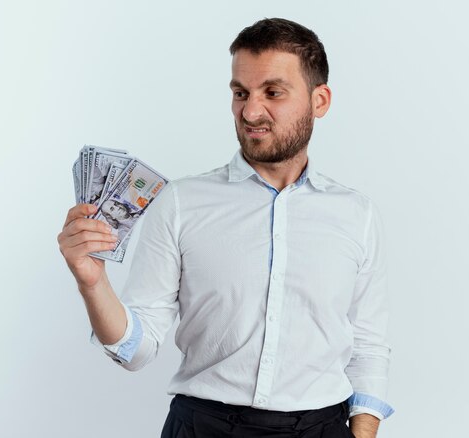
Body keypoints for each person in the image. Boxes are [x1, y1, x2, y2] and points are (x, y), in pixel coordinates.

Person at [58, 18, 394, 438]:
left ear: (319, 100)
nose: (250, 111)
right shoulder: (180, 202)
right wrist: (92, 283)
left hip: (321, 427)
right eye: (240, 93)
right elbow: (135, 351)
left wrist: (361, 433)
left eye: (273, 92)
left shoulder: (356, 215)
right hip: (204, 427)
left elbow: (368, 347)